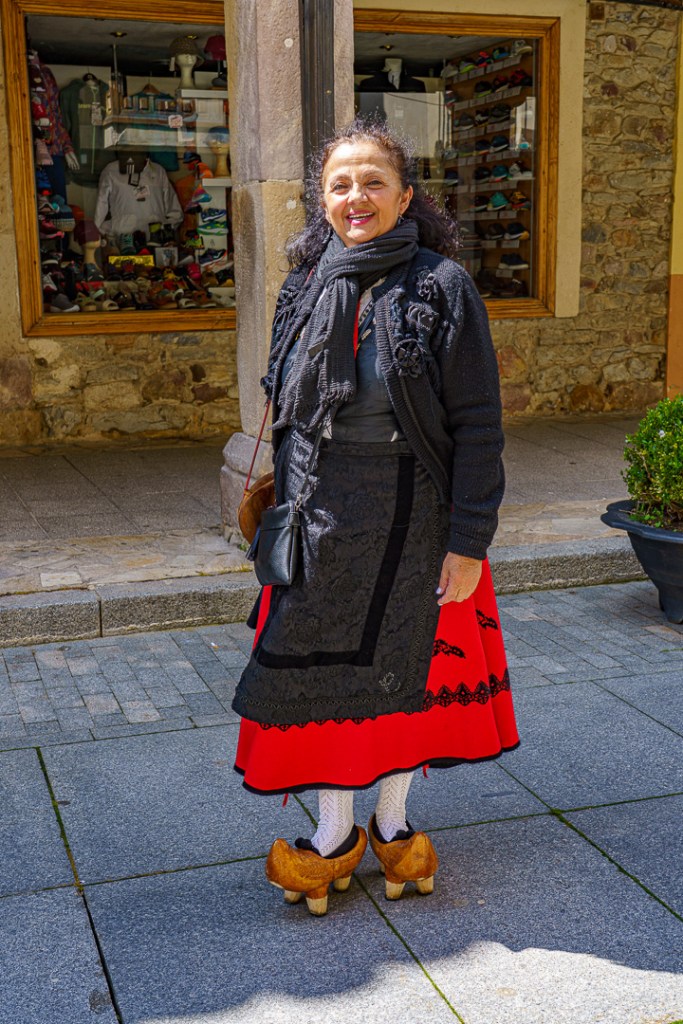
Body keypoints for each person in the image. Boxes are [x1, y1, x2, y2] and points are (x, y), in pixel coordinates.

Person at [232, 117, 519, 916]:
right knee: (320, 678)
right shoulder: (303, 286)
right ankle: (334, 835)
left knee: (402, 678)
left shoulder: (441, 285)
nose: (355, 196)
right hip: (319, 513)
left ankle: (393, 830)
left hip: (412, 515)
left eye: (372, 182)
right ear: (321, 200)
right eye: (339, 184)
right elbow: (285, 403)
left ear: (404, 196)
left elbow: (478, 424)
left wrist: (468, 540)